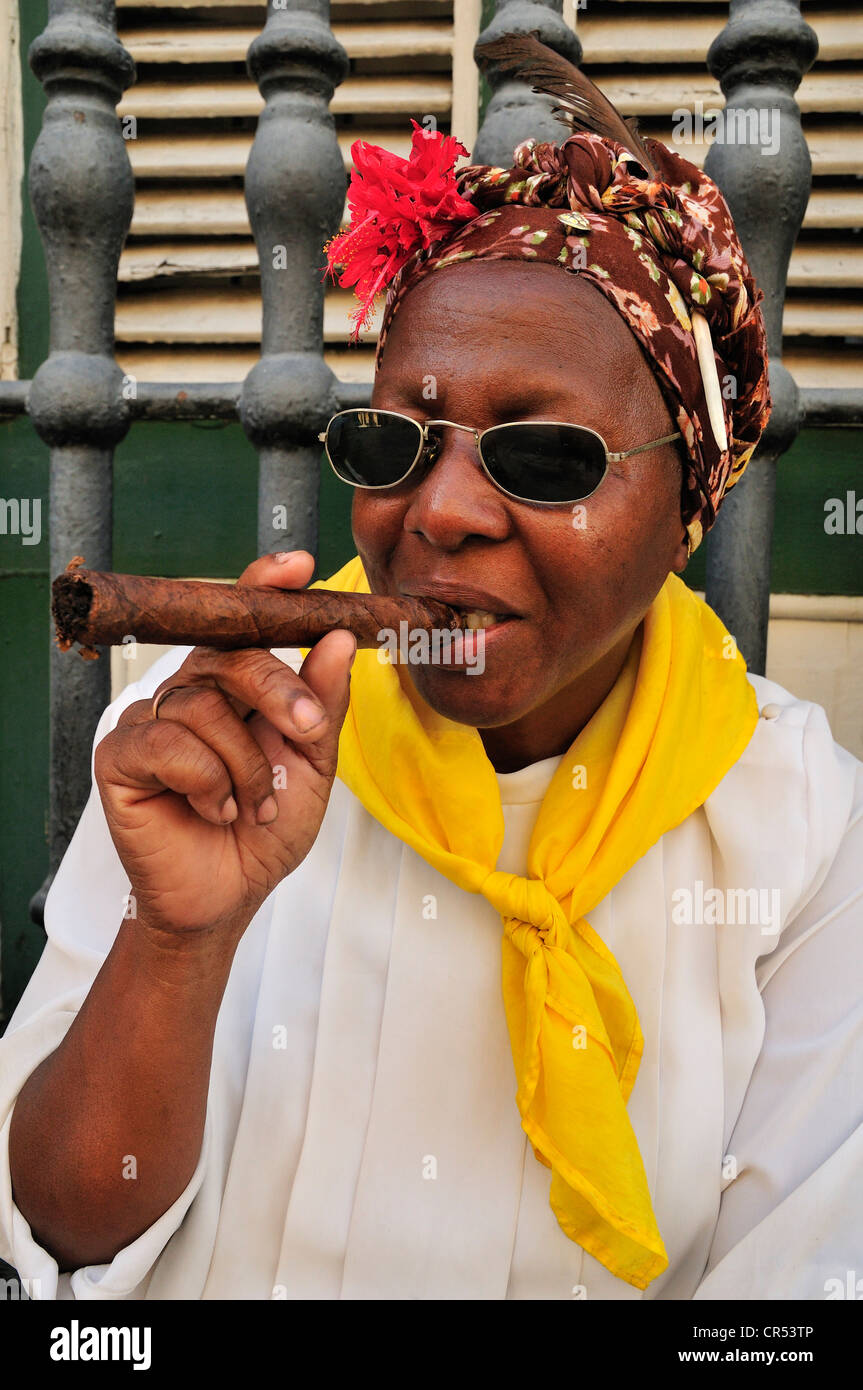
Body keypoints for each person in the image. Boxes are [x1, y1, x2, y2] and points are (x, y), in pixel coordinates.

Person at [1, 49, 861, 1301]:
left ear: (685, 504)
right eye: (394, 437)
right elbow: (61, 1229)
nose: (441, 510)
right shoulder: (203, 742)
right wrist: (175, 945)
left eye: (544, 454)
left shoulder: (796, 831)